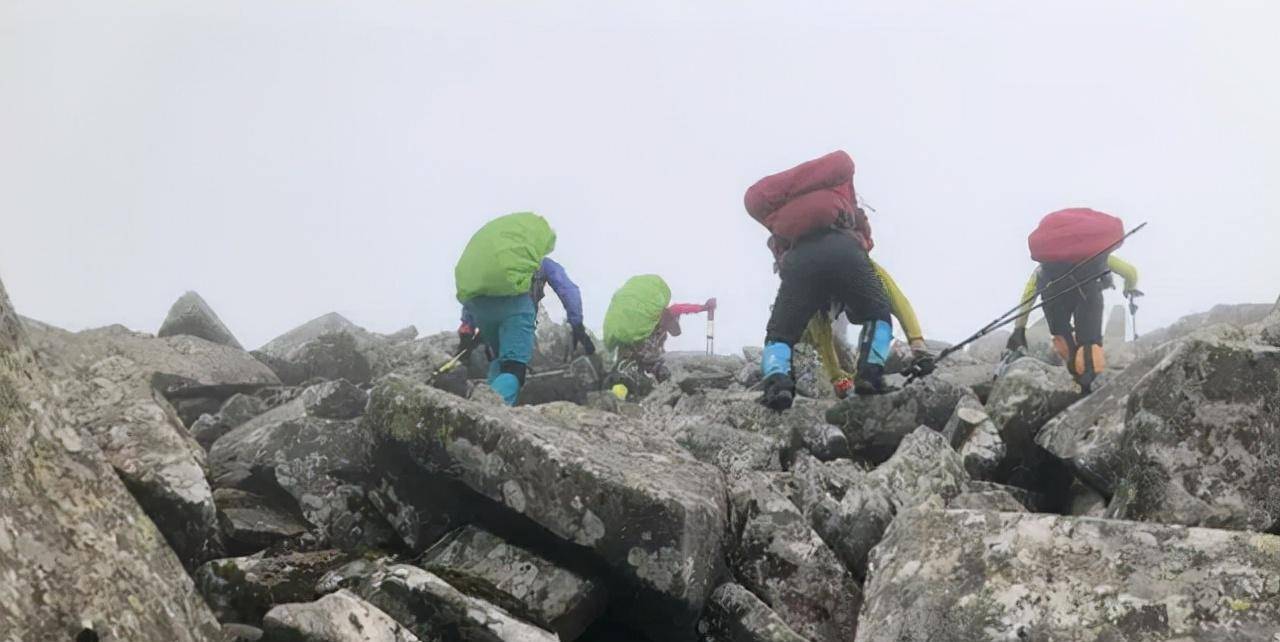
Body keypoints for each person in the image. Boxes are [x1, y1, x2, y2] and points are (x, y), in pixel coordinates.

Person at [455, 212, 594, 406]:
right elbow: (568, 290)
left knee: (499, 359)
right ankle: (493, 410)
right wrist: (577, 324)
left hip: (481, 309)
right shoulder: (541, 264)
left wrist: (467, 329)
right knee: (514, 368)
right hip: (517, 311)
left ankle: (483, 401)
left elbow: (475, 290)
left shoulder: (495, 268)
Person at [1006, 251, 1140, 393]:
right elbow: (1130, 272)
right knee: (1090, 343)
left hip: (1054, 300)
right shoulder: (1095, 253)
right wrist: (1129, 289)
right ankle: (1093, 383)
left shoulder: (1045, 267)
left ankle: (1077, 376)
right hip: (1087, 294)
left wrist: (1019, 328)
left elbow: (1028, 297)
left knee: (1064, 341)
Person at [803, 260, 933, 398]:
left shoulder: (812, 286)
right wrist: (918, 344)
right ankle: (868, 374)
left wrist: (837, 379)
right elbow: (900, 305)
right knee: (880, 318)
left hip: (814, 287)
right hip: (842, 281)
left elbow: (822, 338)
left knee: (876, 317)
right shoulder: (869, 271)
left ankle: (865, 374)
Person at [613, 298, 716, 391]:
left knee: (654, 371)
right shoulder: (665, 314)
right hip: (635, 354)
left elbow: (656, 351)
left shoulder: (662, 333)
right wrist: (702, 308)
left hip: (642, 358)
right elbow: (681, 308)